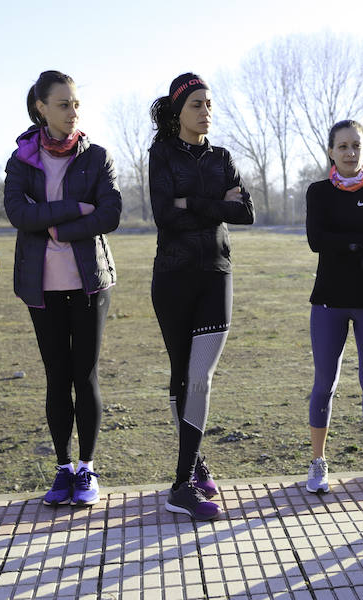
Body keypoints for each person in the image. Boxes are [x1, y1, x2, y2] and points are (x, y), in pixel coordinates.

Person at [4, 70, 122, 507]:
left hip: (90, 284)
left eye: (76, 104)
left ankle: (87, 468)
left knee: (84, 375)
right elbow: (17, 212)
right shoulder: (20, 162)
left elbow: (110, 213)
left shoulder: (97, 156)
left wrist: (58, 228)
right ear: (41, 107)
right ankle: (63, 468)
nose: (73, 112)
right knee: (57, 377)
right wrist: (74, 208)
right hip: (42, 287)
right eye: (63, 104)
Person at [149, 73, 254, 521]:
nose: (206, 110)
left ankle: (180, 485)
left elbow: (244, 212)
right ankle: (192, 468)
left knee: (200, 377)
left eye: (209, 103)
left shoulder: (224, 156)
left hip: (216, 275)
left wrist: (190, 203)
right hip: (172, 278)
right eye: (196, 104)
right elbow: (161, 215)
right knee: (181, 376)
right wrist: (215, 203)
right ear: (177, 112)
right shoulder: (161, 153)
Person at [304, 120, 363, 494]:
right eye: (342, 146)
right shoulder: (318, 192)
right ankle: (317, 462)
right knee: (324, 383)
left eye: (356, 145)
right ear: (331, 151)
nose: (350, 152)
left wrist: (351, 245)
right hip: (328, 300)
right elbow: (316, 240)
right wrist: (362, 244)